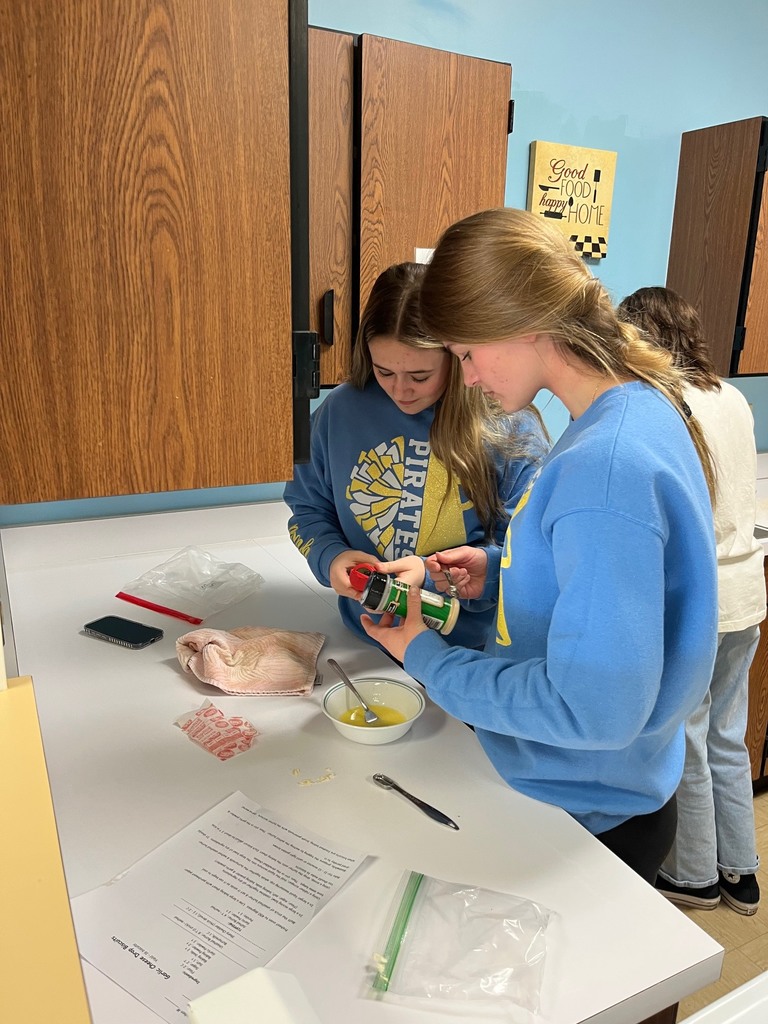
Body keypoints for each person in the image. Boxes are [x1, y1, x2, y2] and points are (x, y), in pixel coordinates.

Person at [361, 208, 719, 884]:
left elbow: (592, 708)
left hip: (581, 817)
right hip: (616, 786)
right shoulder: (636, 406)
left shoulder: (603, 466)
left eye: (466, 353)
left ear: (523, 326)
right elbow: (623, 592)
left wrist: (423, 654)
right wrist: (500, 573)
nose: (465, 377)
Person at [283, 261, 550, 652]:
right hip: (366, 639)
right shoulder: (339, 412)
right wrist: (331, 556)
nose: (400, 390)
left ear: (457, 357)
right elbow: (307, 510)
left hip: (471, 648)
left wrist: (429, 574)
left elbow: (533, 553)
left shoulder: (508, 423)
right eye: (383, 371)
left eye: (421, 376)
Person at [619, 285, 765, 914]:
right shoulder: (728, 395)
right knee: (728, 737)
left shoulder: (661, 402)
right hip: (749, 592)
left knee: (688, 738)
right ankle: (742, 872)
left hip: (704, 600)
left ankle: (696, 875)